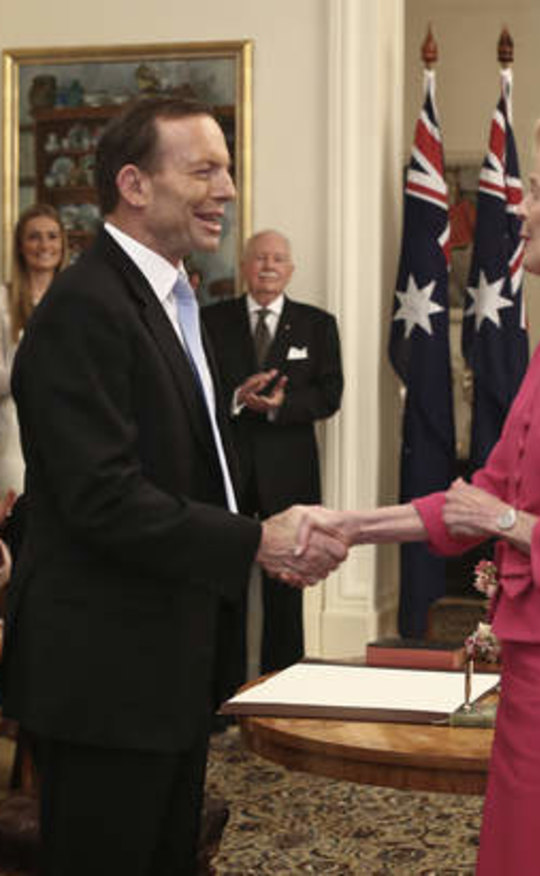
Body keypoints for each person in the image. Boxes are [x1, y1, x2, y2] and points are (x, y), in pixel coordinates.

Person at [1, 97, 346, 876]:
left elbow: (186, 461)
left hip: (167, 662)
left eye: (226, 169)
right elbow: (104, 497)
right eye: (203, 170)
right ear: (134, 183)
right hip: (106, 675)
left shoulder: (170, 300)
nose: (226, 188)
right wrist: (256, 539)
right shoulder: (84, 310)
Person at [297, 103, 540, 876]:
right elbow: (480, 493)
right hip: (535, 665)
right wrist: (348, 524)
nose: (519, 209)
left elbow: (499, 510)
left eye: (539, 191)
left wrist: (511, 524)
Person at [203, 229, 343, 683]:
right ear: (244, 266)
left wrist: (284, 406)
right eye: (259, 257)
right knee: (224, 582)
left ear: (290, 269)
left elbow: (329, 395)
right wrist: (237, 398)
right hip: (230, 469)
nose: (268, 265)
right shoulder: (212, 320)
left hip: (290, 474)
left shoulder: (316, 324)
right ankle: (223, 693)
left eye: (278, 258)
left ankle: (284, 689)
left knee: (287, 585)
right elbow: (197, 391)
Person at [0, 204, 67, 494]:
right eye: (34, 237)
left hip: (67, 426)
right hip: (12, 427)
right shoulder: (2, 301)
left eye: (52, 236)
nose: (44, 245)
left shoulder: (76, 300)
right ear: (20, 245)